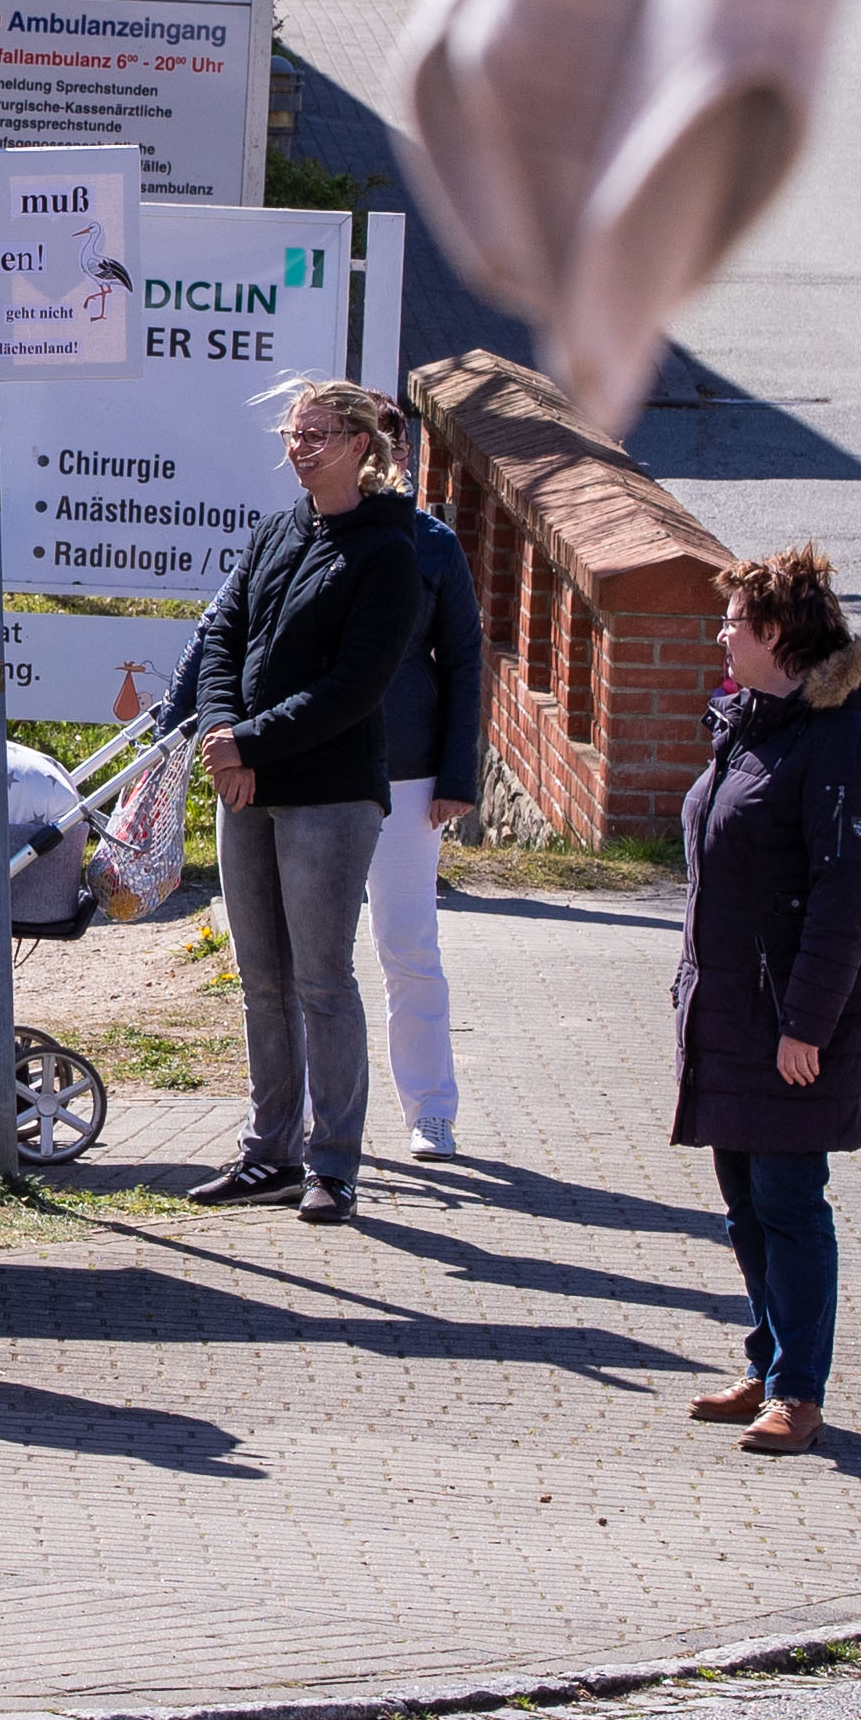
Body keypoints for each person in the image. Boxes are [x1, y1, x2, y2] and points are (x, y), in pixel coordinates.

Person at [160, 379, 427, 1223]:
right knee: (260, 983)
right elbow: (221, 640)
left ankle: (333, 1164)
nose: (300, 446)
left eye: (317, 434)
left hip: (330, 795)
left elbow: (355, 686)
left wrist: (250, 744)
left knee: (321, 980)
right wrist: (222, 733)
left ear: (360, 445)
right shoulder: (275, 530)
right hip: (247, 784)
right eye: (293, 432)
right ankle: (266, 1154)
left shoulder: (390, 550)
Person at [673, 542, 861, 1457]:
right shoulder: (750, 723)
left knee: (789, 1199)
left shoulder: (843, 744)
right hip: (730, 1008)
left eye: (733, 621)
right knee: (743, 1200)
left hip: (796, 1021)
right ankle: (768, 1366)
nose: (721, 634)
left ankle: (799, 1393)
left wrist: (807, 1024)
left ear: (774, 633)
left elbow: (846, 897)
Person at [364, 409, 487, 1160]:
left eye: (395, 446)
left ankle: (431, 1108)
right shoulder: (309, 531)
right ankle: (317, 1111)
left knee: (408, 944)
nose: (386, 459)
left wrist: (457, 773)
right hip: (318, 772)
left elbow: (466, 662)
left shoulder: (434, 545)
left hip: (408, 774)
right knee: (311, 955)